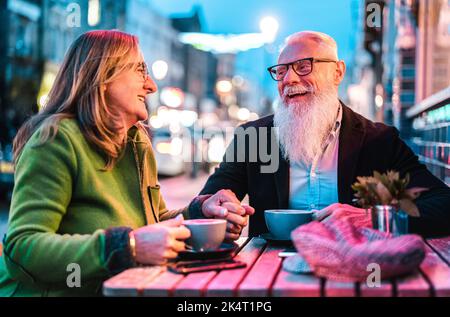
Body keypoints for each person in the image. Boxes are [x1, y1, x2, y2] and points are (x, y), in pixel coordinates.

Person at [0, 30, 253, 297]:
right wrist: (126, 248)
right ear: (103, 76)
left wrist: (201, 215)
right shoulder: (57, 139)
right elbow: (22, 248)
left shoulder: (136, 142)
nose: (151, 85)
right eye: (140, 70)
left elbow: (153, 224)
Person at [197, 31, 450, 238]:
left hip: (355, 267)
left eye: (304, 66)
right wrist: (218, 210)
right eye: (281, 71)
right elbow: (202, 208)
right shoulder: (254, 138)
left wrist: (374, 220)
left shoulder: (378, 141)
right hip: (268, 273)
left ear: (338, 72)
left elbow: (443, 206)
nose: (290, 79)